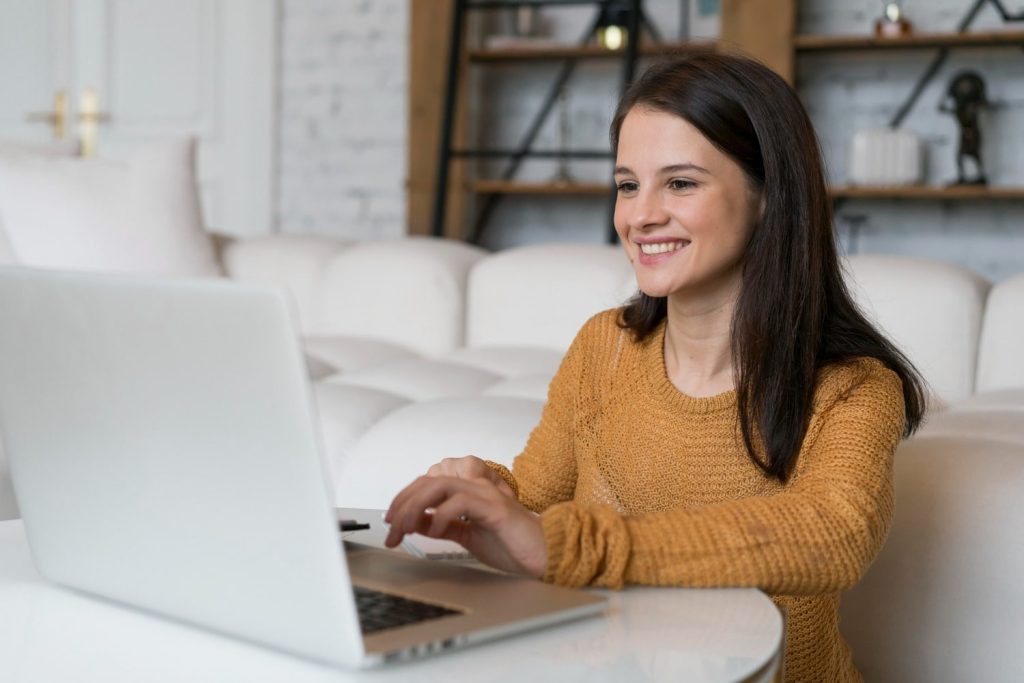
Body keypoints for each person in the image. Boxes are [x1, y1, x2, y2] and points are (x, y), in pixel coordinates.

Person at [384, 52, 926, 682]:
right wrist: (486, 493)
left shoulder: (853, 386)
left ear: (769, 196)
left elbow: (834, 533)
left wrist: (571, 544)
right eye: (627, 184)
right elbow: (539, 499)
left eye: (681, 183)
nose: (639, 215)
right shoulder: (603, 347)